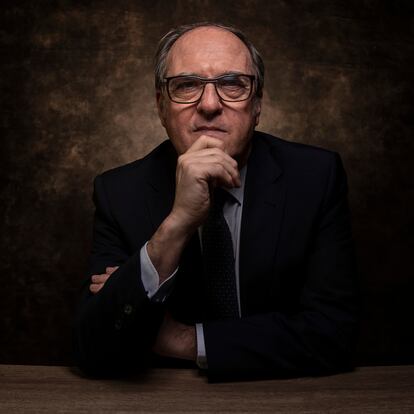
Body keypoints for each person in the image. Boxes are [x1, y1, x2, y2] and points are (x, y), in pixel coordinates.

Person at [74, 22, 359, 381]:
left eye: (232, 83)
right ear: (161, 107)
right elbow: (93, 349)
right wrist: (176, 224)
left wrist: (185, 340)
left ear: (257, 104)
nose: (209, 105)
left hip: (286, 397)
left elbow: (335, 335)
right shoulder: (118, 192)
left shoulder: (316, 178)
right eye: (187, 85)